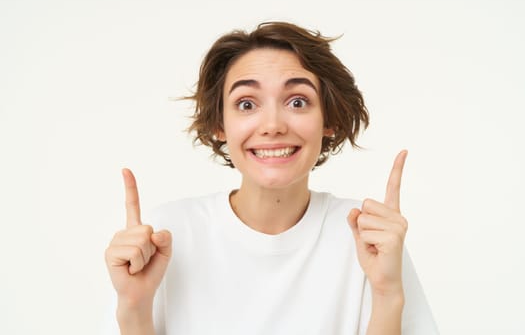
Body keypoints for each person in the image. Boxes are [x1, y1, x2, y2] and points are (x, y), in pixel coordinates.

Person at [104, 22, 438, 334]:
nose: (273, 125)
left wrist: (387, 294)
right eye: (247, 104)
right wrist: (134, 308)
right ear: (220, 125)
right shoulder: (166, 234)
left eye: (297, 101)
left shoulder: (370, 238)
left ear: (329, 120)